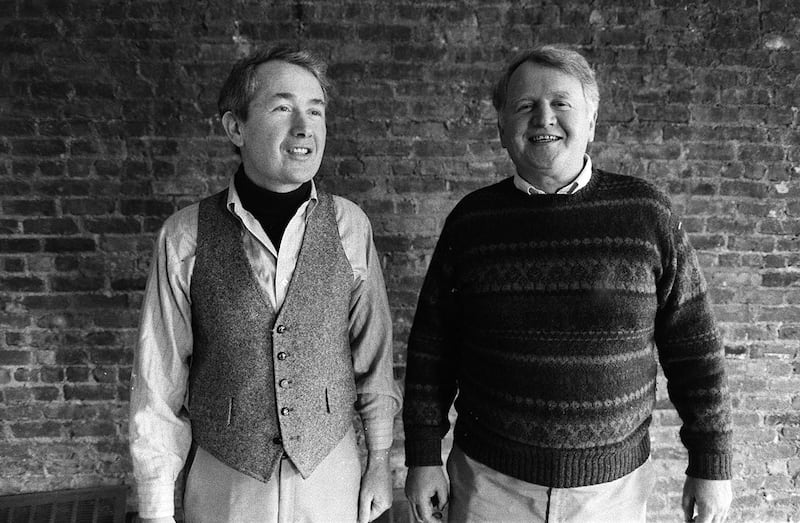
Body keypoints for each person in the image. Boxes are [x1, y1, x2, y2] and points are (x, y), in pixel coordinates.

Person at [402, 45, 733, 523]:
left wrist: (711, 463)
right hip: (489, 486)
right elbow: (432, 351)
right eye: (524, 106)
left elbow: (695, 351)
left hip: (612, 494)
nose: (544, 118)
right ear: (501, 127)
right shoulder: (471, 223)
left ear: (592, 122)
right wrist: (423, 455)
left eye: (561, 103)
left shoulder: (647, 215)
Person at [129, 47, 401, 523]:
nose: (305, 127)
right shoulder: (184, 235)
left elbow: (374, 359)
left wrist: (379, 460)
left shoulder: (349, 226)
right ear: (235, 127)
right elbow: (159, 379)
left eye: (316, 111)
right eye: (283, 108)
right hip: (225, 481)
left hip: (330, 474)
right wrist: (155, 508)